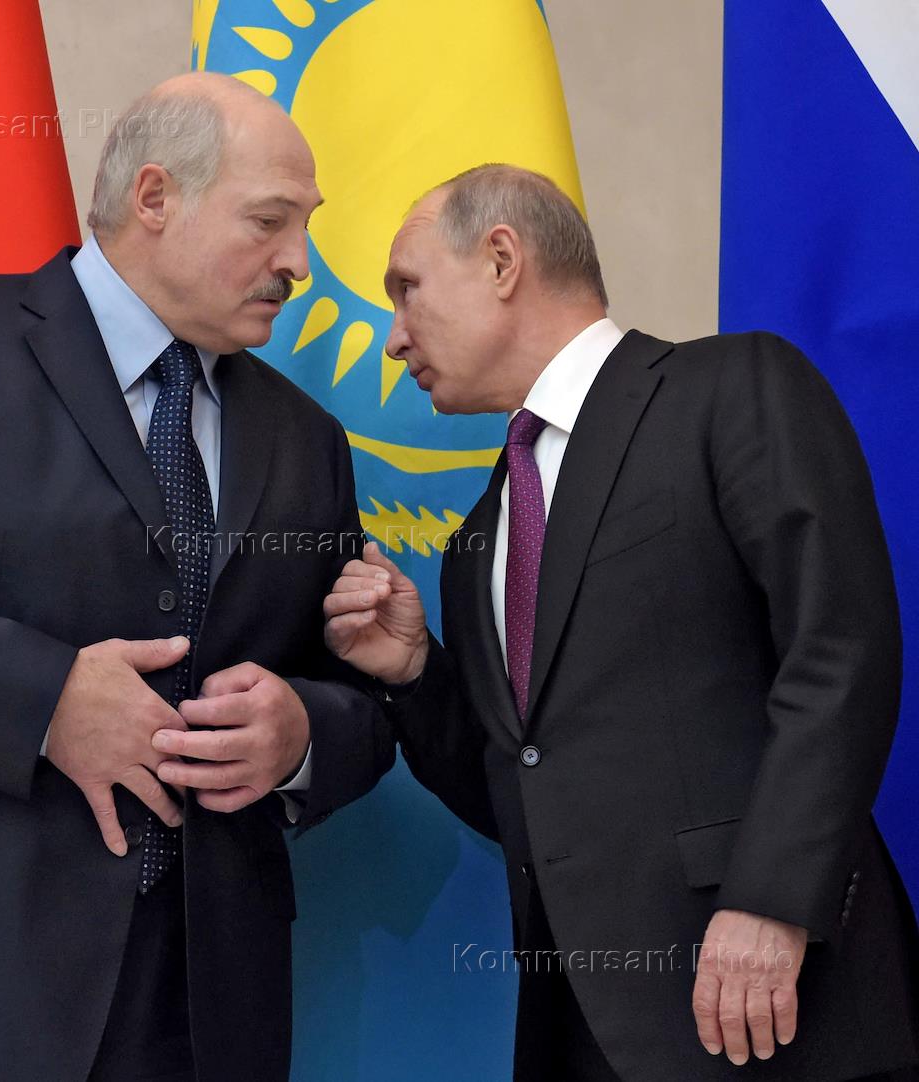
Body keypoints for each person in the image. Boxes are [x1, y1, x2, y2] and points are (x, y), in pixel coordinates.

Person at [0, 72, 393, 1082]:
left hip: (194, 1007)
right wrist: (44, 698)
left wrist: (301, 733)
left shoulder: (307, 438)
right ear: (154, 197)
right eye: (271, 221)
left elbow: (354, 693)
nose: (298, 264)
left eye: (303, 229)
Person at [324, 164, 919, 1081]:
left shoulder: (731, 387)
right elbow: (528, 788)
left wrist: (773, 901)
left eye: (407, 288)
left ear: (502, 259)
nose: (396, 336)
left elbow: (840, 648)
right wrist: (413, 672)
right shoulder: (477, 539)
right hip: (580, 1035)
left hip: (777, 1010)